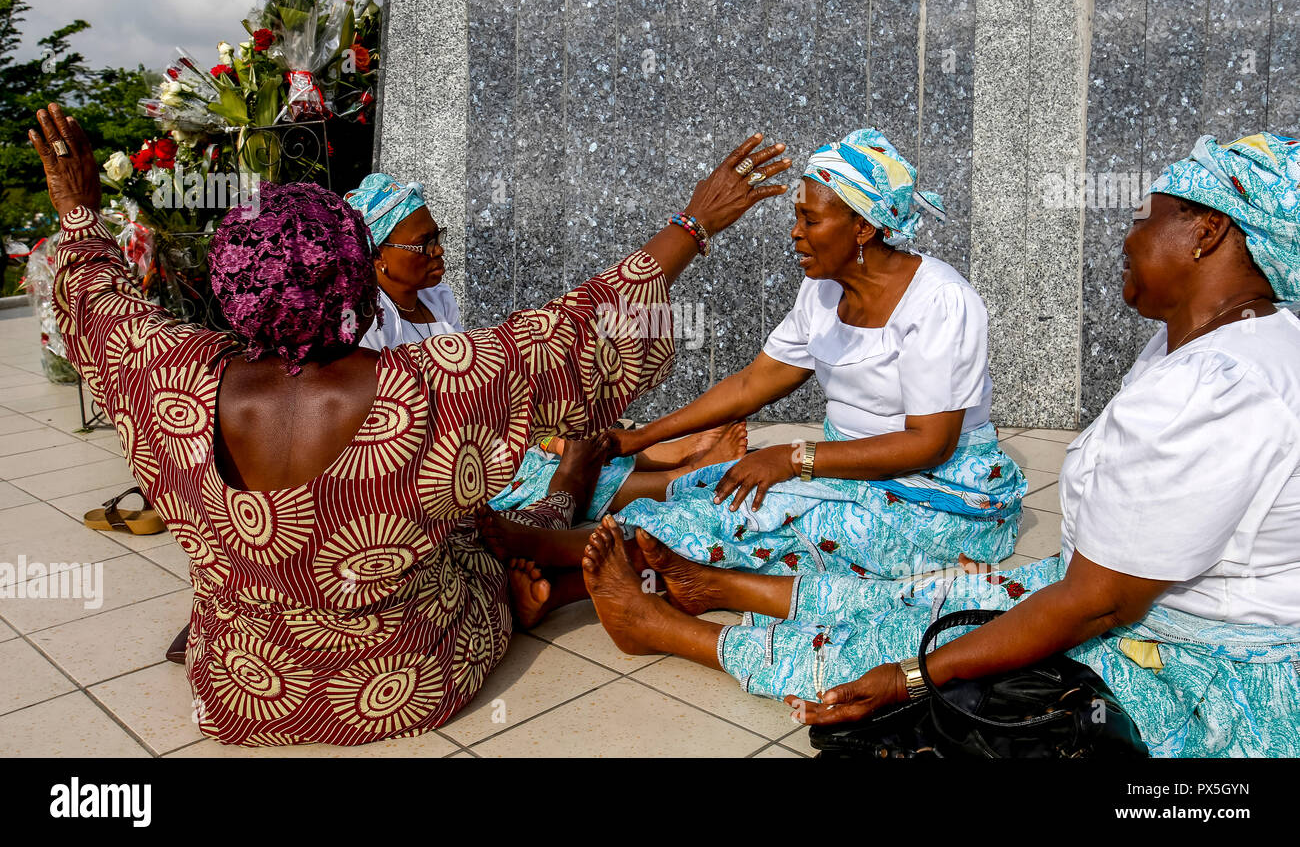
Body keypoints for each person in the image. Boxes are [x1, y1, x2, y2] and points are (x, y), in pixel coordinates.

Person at [30, 100, 792, 746]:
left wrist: (76, 209)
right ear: (354, 272)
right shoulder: (428, 387)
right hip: (410, 678)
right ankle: (561, 551)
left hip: (238, 688)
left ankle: (564, 518)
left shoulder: (169, 376)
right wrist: (695, 220)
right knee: (485, 523)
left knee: (484, 510)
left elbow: (101, 301)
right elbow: (577, 326)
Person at [577, 131, 1300, 757]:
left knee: (898, 644)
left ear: (1206, 231)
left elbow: (1095, 604)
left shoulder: (1219, 384)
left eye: (1144, 219)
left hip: (1194, 658)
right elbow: (758, 379)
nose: (1124, 237)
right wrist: (640, 437)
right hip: (1117, 593)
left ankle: (664, 627)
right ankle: (708, 582)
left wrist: (914, 677)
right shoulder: (1222, 347)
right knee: (920, 595)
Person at [492, 128, 1025, 582]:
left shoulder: (940, 301)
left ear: (862, 227)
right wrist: (645, 436)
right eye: (797, 216)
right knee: (705, 490)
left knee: (760, 514)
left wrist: (795, 459)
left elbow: (931, 444)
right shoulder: (823, 291)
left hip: (940, 493)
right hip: (849, 468)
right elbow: (754, 383)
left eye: (810, 220)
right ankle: (568, 585)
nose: (795, 233)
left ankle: (556, 558)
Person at [345, 172, 749, 525]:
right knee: (541, 470)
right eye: (424, 243)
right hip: (431, 463)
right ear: (379, 254)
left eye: (439, 236)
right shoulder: (370, 324)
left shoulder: (437, 299)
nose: (438, 249)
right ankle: (678, 479)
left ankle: (663, 453)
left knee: (569, 431)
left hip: (477, 431)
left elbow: (486, 383)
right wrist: (691, 227)